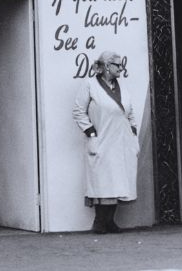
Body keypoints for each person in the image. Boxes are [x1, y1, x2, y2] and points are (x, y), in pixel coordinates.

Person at [71, 51, 139, 234]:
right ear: (107, 66)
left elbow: (129, 112)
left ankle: (110, 221)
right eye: (117, 65)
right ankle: (100, 221)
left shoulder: (121, 87)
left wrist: (133, 132)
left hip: (121, 140)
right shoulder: (90, 85)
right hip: (101, 138)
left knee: (118, 180)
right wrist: (91, 132)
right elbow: (78, 111)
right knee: (102, 180)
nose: (121, 68)